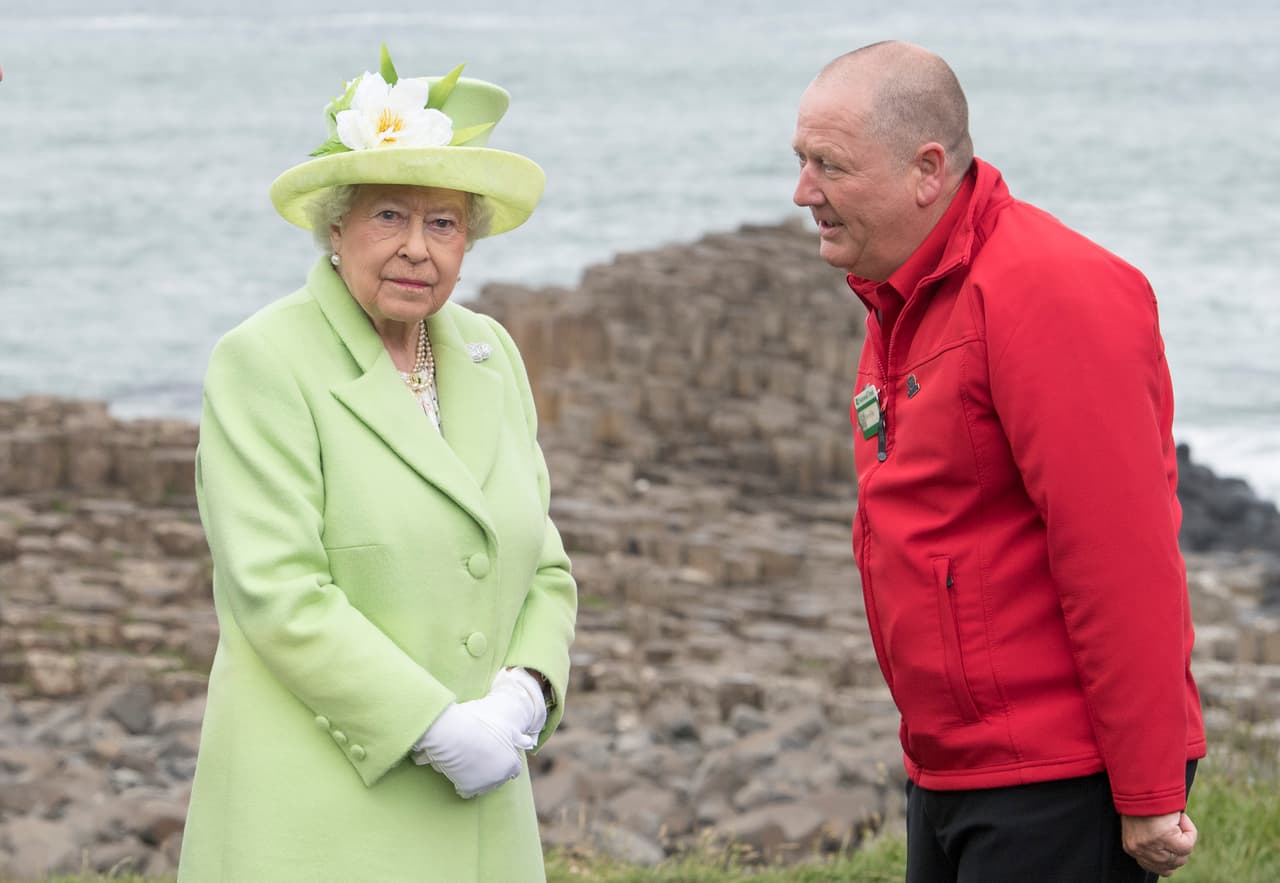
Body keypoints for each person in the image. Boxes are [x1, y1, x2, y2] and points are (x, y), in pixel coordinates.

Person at [792, 41, 1204, 882]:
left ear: (926, 169)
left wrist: (1151, 784)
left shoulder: (1048, 291)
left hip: (1056, 774)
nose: (804, 193)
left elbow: (1121, 555)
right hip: (951, 764)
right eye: (801, 162)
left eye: (828, 166)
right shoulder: (902, 288)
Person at [177, 47, 577, 883]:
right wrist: (434, 725)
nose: (417, 250)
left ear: (469, 241)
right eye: (389, 216)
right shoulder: (263, 359)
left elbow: (543, 559)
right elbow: (277, 590)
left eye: (443, 224)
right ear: (336, 225)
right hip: (319, 823)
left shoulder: (489, 351)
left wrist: (526, 692)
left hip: (481, 818)